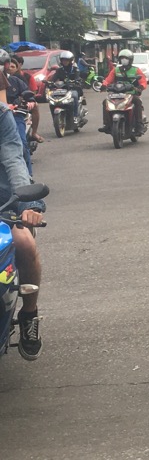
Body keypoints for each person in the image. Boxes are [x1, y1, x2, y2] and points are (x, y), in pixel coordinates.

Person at [0, 104, 45, 360]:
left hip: (2, 202)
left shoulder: (1, 116)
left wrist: (29, 205)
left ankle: (29, 314)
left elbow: (14, 159)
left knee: (24, 244)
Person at [99, 49, 147, 134]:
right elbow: (108, 80)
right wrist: (104, 85)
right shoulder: (116, 70)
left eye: (126, 58)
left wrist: (140, 87)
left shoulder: (136, 70)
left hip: (131, 93)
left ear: (130, 59)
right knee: (105, 102)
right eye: (122, 58)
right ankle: (107, 124)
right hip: (117, 93)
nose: (123, 60)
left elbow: (143, 81)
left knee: (137, 101)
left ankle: (139, 125)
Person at [8, 54, 43, 143]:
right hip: (6, 108)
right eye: (8, 66)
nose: (10, 68)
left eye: (13, 66)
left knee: (35, 105)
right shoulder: (3, 79)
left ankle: (34, 132)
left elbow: (32, 92)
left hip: (21, 106)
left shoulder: (25, 77)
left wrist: (28, 100)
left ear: (19, 66)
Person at [51, 51, 83, 126]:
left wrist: (76, 81)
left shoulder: (75, 69)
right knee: (52, 97)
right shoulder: (59, 70)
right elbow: (54, 78)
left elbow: (78, 78)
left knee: (74, 96)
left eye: (67, 60)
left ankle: (75, 116)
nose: (65, 62)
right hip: (62, 90)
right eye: (63, 60)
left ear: (71, 60)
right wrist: (50, 83)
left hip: (73, 89)